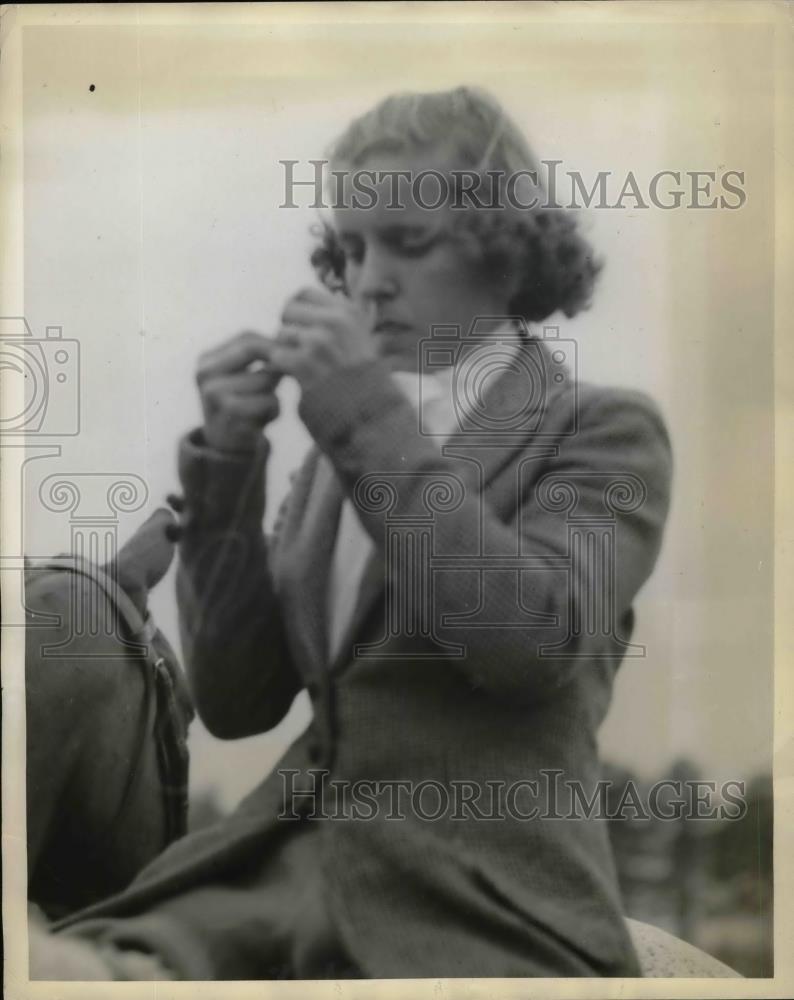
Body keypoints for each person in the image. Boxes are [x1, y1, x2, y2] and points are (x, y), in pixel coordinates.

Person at [36, 85, 673, 979]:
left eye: (407, 243)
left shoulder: (602, 430)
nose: (368, 280)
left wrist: (357, 410)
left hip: (485, 903)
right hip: (277, 883)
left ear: (507, 251)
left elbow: (531, 639)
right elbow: (237, 700)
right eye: (351, 246)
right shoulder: (342, 461)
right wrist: (225, 468)